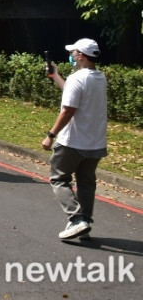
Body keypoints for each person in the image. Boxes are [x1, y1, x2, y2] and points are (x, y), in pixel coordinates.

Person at [42, 38, 107, 240]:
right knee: (86, 183)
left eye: (74, 52)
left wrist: (50, 135)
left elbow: (68, 109)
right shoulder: (99, 77)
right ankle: (84, 222)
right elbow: (71, 91)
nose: (72, 56)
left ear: (80, 56)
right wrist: (56, 76)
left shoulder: (77, 79)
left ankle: (76, 219)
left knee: (59, 179)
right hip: (95, 143)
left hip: (72, 142)